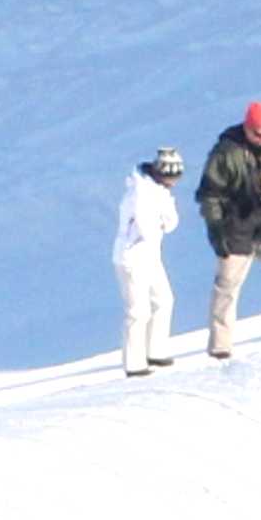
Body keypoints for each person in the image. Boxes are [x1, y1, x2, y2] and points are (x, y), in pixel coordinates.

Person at [197, 103, 261, 358]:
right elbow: (209, 195)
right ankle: (220, 347)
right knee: (226, 287)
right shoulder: (225, 153)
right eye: (258, 133)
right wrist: (216, 230)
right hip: (235, 230)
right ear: (247, 127)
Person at [112, 150, 182, 376]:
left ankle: (156, 350)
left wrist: (163, 217)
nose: (173, 182)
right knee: (138, 311)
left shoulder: (160, 192)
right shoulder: (140, 192)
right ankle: (134, 363)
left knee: (164, 299)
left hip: (151, 256)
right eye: (170, 177)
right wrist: (159, 223)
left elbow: (171, 223)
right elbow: (145, 228)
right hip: (132, 257)